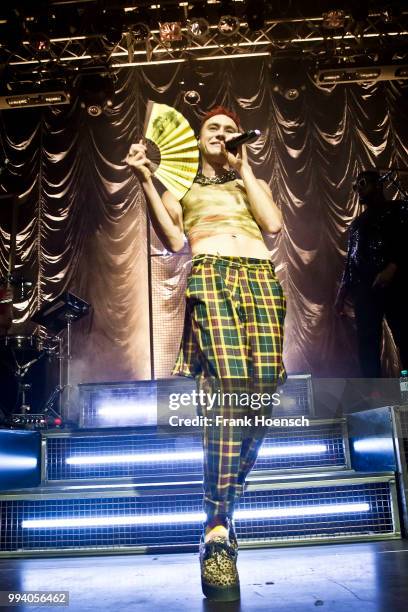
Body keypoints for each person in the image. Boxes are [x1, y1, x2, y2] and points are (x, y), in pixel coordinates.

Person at [126, 106, 286, 601]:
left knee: (263, 396)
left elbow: (274, 225)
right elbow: (174, 239)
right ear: (197, 141)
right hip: (212, 274)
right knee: (229, 391)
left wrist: (247, 170)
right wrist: (145, 180)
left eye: (228, 129)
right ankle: (218, 524)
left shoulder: (245, 183)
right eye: (212, 129)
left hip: (260, 278)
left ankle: (220, 512)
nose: (221, 134)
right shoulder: (185, 188)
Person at [335, 170, 408, 377]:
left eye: (363, 184)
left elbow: (404, 241)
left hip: (397, 284)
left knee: (404, 334)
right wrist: (341, 294)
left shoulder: (399, 209)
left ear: (378, 185)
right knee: (367, 344)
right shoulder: (357, 224)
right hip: (365, 289)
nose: (358, 189)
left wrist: (392, 267)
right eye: (355, 186)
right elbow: (351, 259)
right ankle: (375, 397)